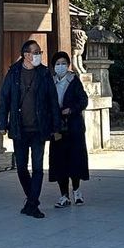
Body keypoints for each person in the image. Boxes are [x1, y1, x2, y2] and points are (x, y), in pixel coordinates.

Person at [0, 39, 62, 218]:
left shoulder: (44, 73)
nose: (39, 55)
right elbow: (4, 99)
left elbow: (52, 101)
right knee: (21, 167)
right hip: (19, 127)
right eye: (36, 52)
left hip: (39, 128)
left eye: (39, 52)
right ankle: (31, 199)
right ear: (26, 55)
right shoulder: (14, 72)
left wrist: (56, 126)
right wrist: (2, 123)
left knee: (39, 167)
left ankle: (32, 203)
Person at [48, 50, 89, 207]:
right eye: (57, 64)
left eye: (63, 63)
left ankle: (77, 191)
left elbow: (83, 100)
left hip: (74, 127)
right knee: (60, 162)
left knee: (75, 160)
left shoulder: (74, 81)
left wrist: (71, 109)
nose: (60, 67)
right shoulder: (50, 82)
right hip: (57, 128)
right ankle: (63, 194)